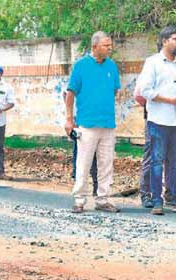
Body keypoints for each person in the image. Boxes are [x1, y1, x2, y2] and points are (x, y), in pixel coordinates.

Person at [137, 26, 176, 215]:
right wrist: (170, 100)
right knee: (156, 162)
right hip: (159, 121)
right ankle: (157, 201)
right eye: (175, 39)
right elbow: (145, 91)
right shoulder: (152, 63)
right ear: (164, 41)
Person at [64, 31, 121, 214]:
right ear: (95, 46)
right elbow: (70, 94)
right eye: (106, 45)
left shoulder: (112, 66)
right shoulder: (80, 66)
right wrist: (69, 120)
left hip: (108, 124)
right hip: (86, 124)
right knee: (84, 163)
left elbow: (114, 92)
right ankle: (79, 200)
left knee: (106, 164)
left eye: (110, 45)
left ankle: (102, 199)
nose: (109, 48)